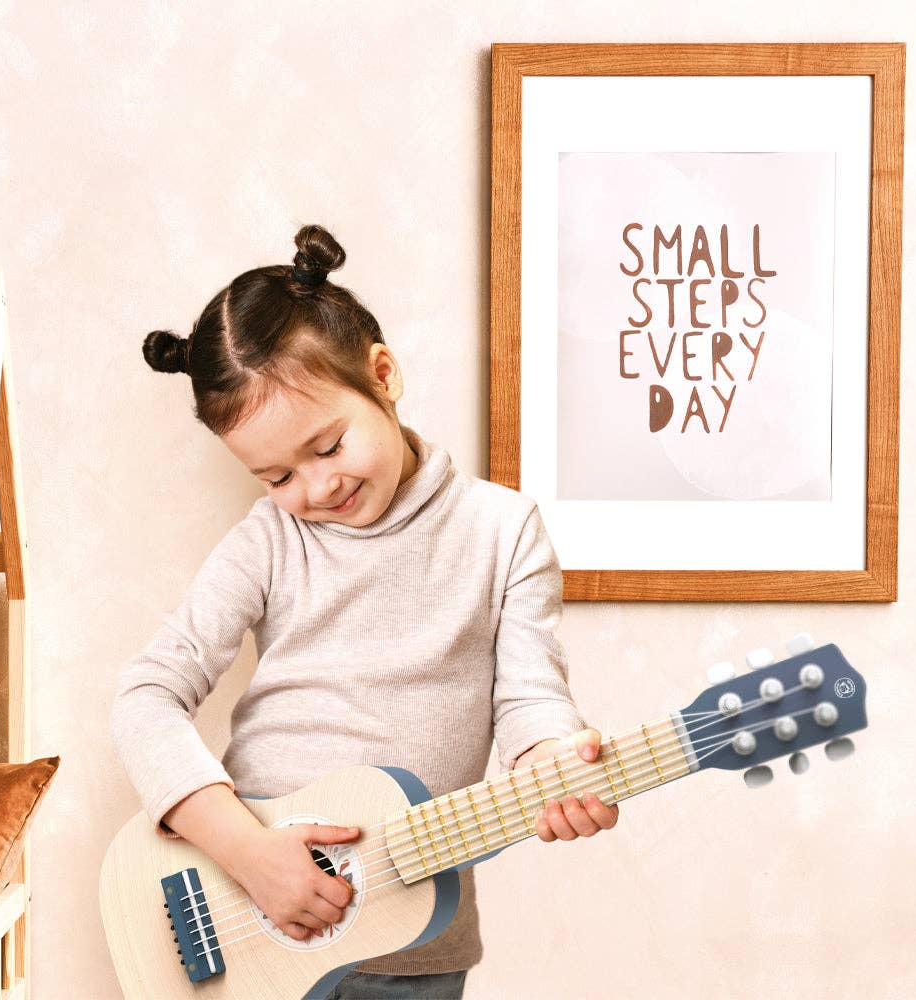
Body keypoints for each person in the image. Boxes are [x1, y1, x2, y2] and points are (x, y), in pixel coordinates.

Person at [110, 223, 619, 1000]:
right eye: (276, 475)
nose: (313, 491)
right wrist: (246, 851)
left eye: (328, 447)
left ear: (382, 375)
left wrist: (548, 759)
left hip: (416, 953)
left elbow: (529, 698)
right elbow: (147, 695)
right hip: (246, 920)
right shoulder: (272, 541)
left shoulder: (503, 530)